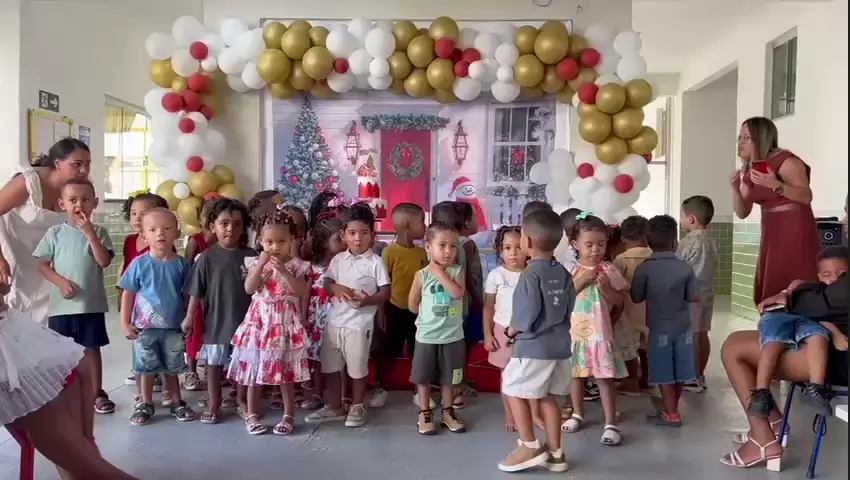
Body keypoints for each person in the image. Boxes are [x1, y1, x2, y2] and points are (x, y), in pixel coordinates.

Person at [0, 138, 137, 479]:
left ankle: (84, 439)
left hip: (60, 275)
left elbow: (102, 258)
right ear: (56, 163)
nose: (84, 169)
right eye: (77, 163)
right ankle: (75, 454)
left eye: (88, 164)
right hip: (26, 269)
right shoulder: (29, 183)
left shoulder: (78, 208)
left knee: (77, 359)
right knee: (40, 360)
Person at [720, 198, 848, 469]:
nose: (845, 221)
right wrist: (795, 289)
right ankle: (774, 424)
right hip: (833, 348)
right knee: (749, 340)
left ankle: (763, 438)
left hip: (838, 358)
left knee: (734, 348)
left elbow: (818, 304)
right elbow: (824, 295)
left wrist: (791, 293)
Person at [498, 210, 575, 473]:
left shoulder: (530, 274)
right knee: (547, 397)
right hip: (560, 347)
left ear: (527, 241)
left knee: (511, 388)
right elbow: (569, 307)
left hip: (533, 347)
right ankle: (556, 454)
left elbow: (526, 314)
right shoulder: (563, 272)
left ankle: (529, 445)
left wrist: (511, 331)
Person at [34, 178, 115, 415]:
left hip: (91, 305)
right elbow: (42, 265)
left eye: (85, 199)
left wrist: (90, 234)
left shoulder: (99, 232)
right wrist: (61, 282)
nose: (79, 204)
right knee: (61, 353)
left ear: (95, 203)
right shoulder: (55, 233)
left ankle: (96, 393)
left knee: (92, 350)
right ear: (62, 204)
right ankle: (63, 393)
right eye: (73, 200)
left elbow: (104, 261)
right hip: (62, 307)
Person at [305, 203, 390, 427]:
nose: (358, 238)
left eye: (364, 233)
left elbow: (385, 292)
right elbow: (327, 283)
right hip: (334, 322)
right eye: (352, 233)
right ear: (343, 235)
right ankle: (335, 406)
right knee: (331, 367)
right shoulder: (338, 260)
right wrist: (335, 288)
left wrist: (368, 300)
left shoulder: (375, 262)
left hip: (359, 326)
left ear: (372, 235)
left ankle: (357, 405)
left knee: (357, 368)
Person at [229, 206, 310, 436]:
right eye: (270, 242)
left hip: (284, 322)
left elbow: (300, 291)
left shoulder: (296, 265)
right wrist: (260, 265)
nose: (275, 247)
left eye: (281, 242)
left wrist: (284, 271)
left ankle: (288, 414)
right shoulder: (254, 262)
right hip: (260, 322)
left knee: (286, 373)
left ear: (291, 240)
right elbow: (249, 288)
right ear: (260, 241)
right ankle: (252, 413)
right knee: (255, 370)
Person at [747, 246, 848, 417]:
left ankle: (815, 390)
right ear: (819, 276)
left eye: (842, 275)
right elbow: (799, 286)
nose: (835, 279)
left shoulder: (836, 293)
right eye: (827, 274)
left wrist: (835, 333)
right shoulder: (816, 288)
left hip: (811, 330)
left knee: (818, 337)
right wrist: (786, 293)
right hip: (782, 317)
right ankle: (761, 392)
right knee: (773, 343)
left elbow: (819, 314)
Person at [731, 116, 820, 305]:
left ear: (761, 138)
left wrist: (775, 184)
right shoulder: (750, 170)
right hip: (771, 230)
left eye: (746, 137)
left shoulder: (787, 161)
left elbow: (806, 196)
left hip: (794, 226)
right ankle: (774, 316)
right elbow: (742, 212)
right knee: (773, 277)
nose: (741, 142)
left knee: (794, 272)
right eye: (740, 137)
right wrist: (735, 189)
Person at [119, 208, 195, 425]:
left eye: (166, 228)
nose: (160, 233)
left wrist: (188, 318)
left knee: (173, 366)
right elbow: (127, 292)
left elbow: (188, 294)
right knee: (146, 367)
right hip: (144, 328)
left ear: (177, 233)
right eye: (153, 229)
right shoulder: (139, 264)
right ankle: (145, 402)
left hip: (173, 326)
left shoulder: (181, 265)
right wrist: (125, 323)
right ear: (144, 236)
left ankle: (177, 401)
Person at [184, 198, 256, 424]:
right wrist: (189, 317)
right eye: (224, 223)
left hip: (246, 323)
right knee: (214, 365)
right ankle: (214, 403)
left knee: (243, 364)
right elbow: (196, 291)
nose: (230, 229)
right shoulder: (206, 257)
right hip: (216, 323)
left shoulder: (251, 255)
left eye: (237, 224)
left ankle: (242, 400)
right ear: (212, 226)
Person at [561, 212, 628, 446]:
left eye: (601, 244)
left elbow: (621, 300)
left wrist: (606, 289)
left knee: (604, 378)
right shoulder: (569, 269)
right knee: (576, 376)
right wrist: (582, 281)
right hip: (575, 335)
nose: (595, 250)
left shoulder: (608, 269)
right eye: (589, 244)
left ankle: (610, 423)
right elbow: (562, 298)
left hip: (600, 334)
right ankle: (577, 413)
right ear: (575, 244)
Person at [630, 215, 700, 428]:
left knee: (663, 370)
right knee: (680, 368)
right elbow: (694, 297)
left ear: (648, 241)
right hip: (683, 327)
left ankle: (671, 414)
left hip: (659, 329)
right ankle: (673, 408)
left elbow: (636, 297)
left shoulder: (644, 268)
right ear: (674, 241)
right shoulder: (685, 267)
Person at [408, 222, 468, 435]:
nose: (448, 251)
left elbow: (457, 293)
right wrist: (428, 316)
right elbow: (412, 304)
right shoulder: (422, 275)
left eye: (453, 246)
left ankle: (448, 411)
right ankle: (425, 412)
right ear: (428, 246)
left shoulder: (457, 271)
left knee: (450, 378)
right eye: (442, 245)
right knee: (423, 377)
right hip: (427, 336)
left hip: (452, 336)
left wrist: (440, 274)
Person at [118, 191, 170, 399]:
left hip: (157, 303)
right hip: (135, 300)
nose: (138, 218)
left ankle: (164, 382)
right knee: (139, 340)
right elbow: (127, 266)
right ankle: (143, 377)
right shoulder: (130, 240)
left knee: (162, 341)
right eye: (133, 213)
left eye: (144, 213)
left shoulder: (160, 241)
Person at [380, 202, 428, 408]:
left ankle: (419, 390)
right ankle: (381, 387)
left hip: (418, 311)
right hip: (395, 310)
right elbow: (383, 284)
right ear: (408, 225)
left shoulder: (421, 253)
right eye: (422, 222)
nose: (425, 227)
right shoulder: (389, 252)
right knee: (389, 352)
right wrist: (381, 312)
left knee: (419, 352)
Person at [483, 225, 529, 432]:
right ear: (500, 250)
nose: (513, 253)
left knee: (527, 375)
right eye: (508, 248)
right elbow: (488, 307)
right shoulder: (496, 275)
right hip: (502, 331)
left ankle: (528, 413)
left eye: (518, 247)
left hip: (527, 332)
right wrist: (488, 334)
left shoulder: (531, 273)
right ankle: (510, 414)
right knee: (507, 376)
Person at [301, 213, 346, 410]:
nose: (344, 241)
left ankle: (343, 396)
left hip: (339, 317)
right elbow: (306, 294)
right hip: (317, 320)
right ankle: (318, 394)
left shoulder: (346, 265)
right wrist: (303, 316)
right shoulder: (313, 268)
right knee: (318, 360)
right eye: (338, 238)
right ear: (324, 242)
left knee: (340, 358)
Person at [676, 195, 719, 394]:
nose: (681, 220)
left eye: (682, 216)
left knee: (690, 336)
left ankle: (691, 378)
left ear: (691, 219)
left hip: (690, 295)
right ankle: (700, 374)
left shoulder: (688, 242)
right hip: (706, 293)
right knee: (702, 334)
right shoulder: (711, 240)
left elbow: (678, 267)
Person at [612, 215, 652, 393]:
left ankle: (632, 379)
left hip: (628, 312)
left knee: (630, 349)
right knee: (647, 348)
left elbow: (616, 285)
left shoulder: (621, 260)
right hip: (650, 311)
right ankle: (647, 379)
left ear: (623, 238)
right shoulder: (653, 256)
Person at [183, 198, 217, 392]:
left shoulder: (226, 241)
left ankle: (215, 370)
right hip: (198, 296)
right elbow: (188, 271)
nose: (209, 220)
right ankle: (191, 371)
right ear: (200, 218)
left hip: (217, 296)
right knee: (194, 332)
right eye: (206, 215)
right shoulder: (195, 240)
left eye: (214, 216)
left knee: (213, 332)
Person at [605, 225, 640, 397]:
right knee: (626, 351)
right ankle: (630, 381)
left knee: (625, 351)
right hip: (614, 317)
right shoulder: (610, 267)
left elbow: (621, 297)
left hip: (615, 317)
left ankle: (631, 382)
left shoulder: (611, 268)